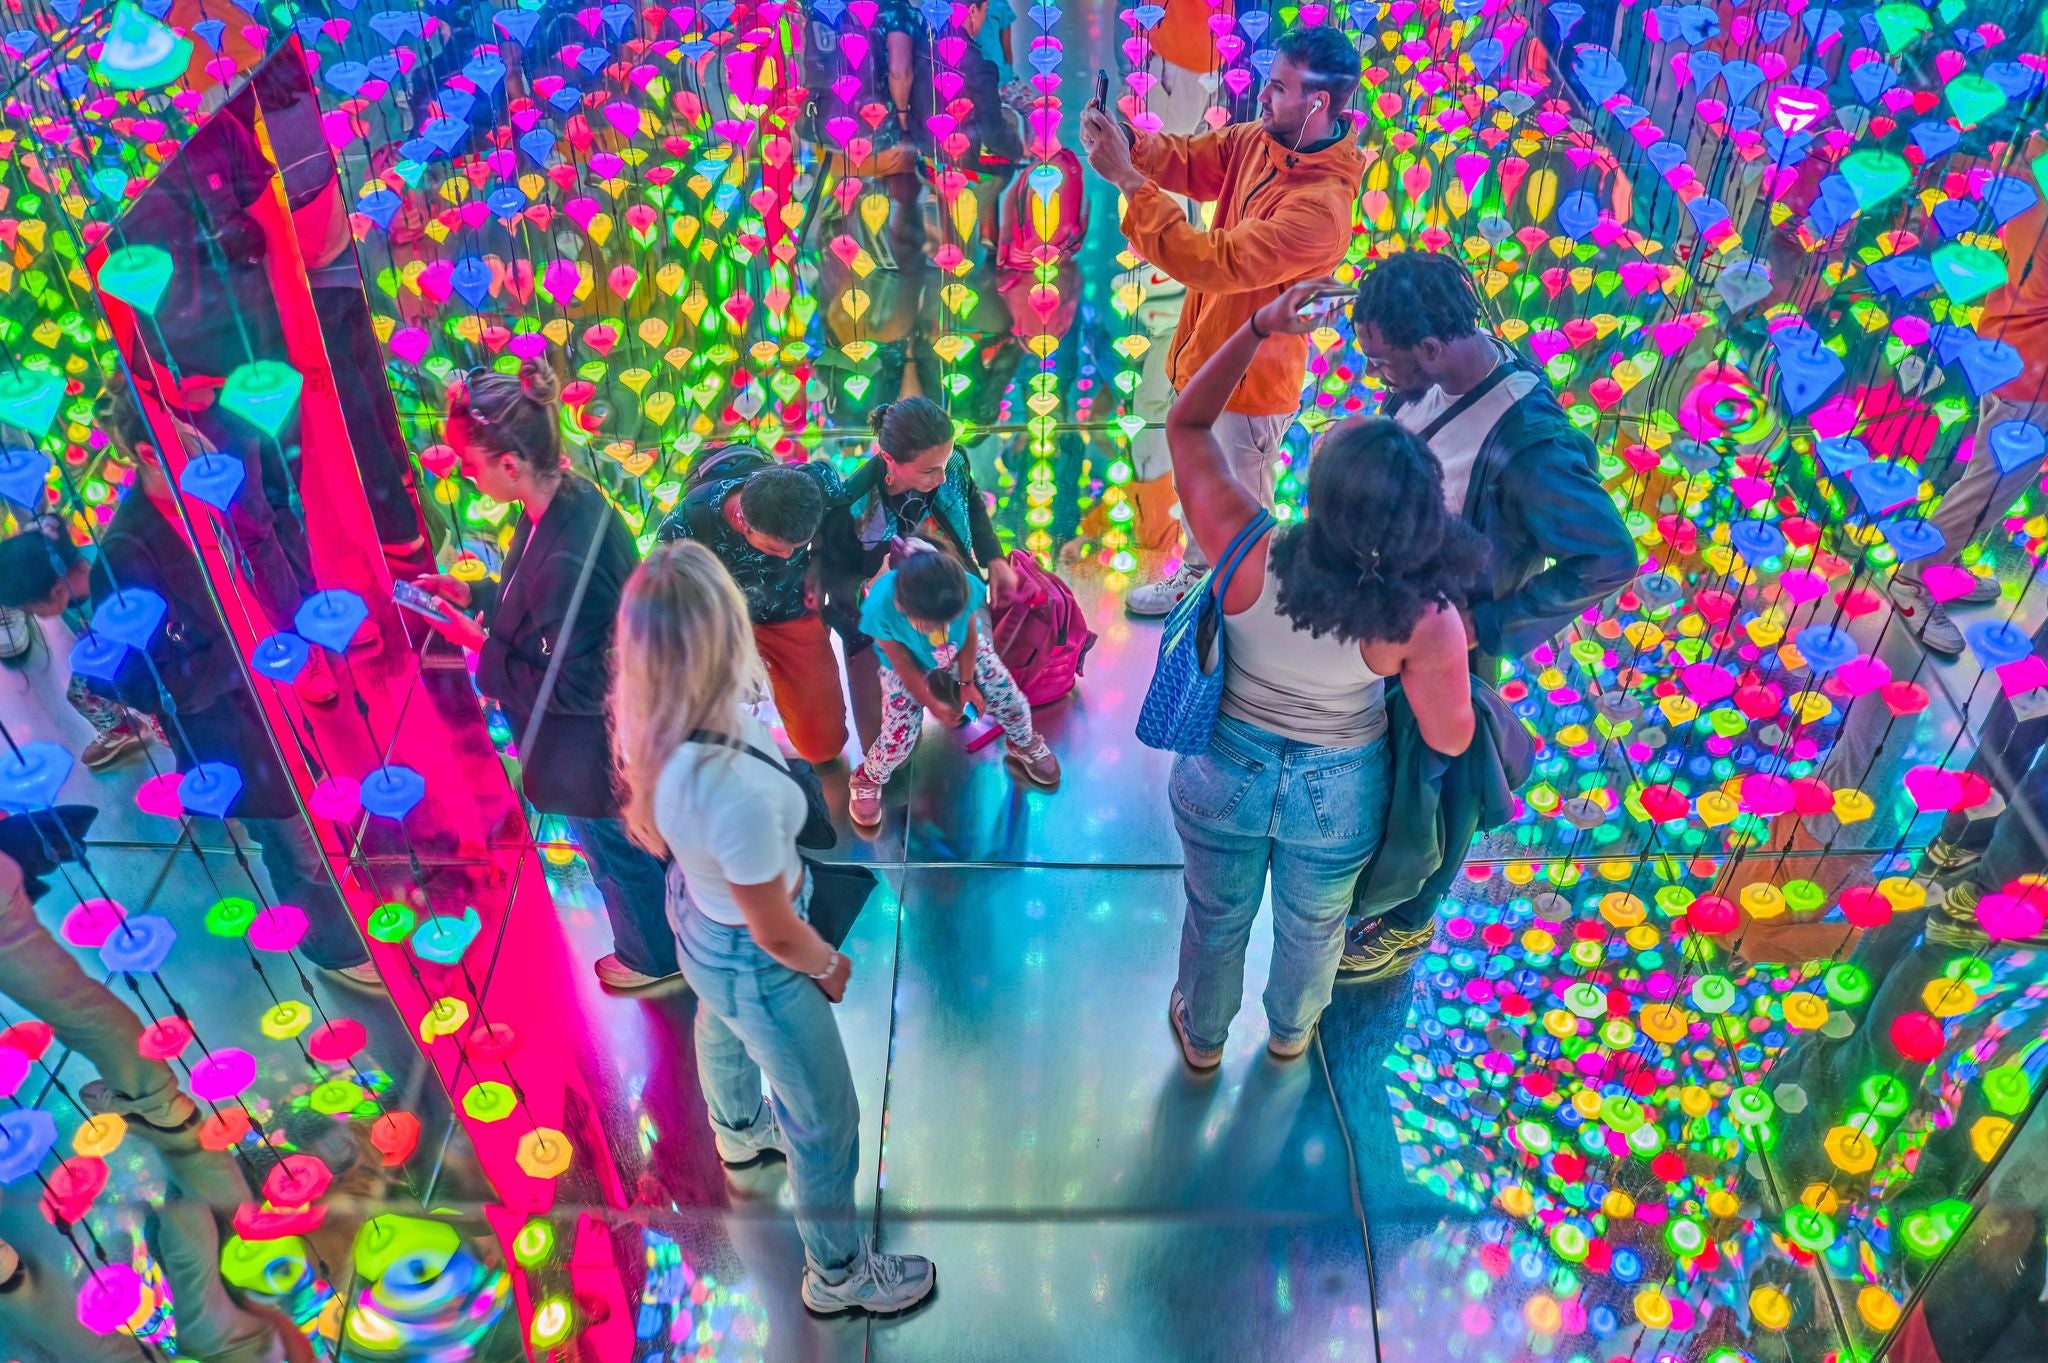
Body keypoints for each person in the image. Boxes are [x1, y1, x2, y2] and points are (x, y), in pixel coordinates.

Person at [609, 541, 937, 1316]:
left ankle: (738, 1130)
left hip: (696, 911)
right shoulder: (733, 794)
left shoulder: (651, 725)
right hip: (758, 950)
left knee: (720, 1021)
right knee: (826, 1119)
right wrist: (823, 961)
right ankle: (839, 1273)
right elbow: (773, 927)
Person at [1161, 280, 1478, 1069]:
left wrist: (1262, 326)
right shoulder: (1423, 618)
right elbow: (1450, 733)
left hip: (1222, 765)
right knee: (1314, 928)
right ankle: (1291, 1035)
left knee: (1214, 914)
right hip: (1337, 792)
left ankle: (1202, 1043)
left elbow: (1188, 420)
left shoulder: (1243, 544)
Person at [1340, 249, 1637, 979]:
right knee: (1401, 765)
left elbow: (1609, 557)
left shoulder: (1530, 445)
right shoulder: (1443, 375)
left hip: (1450, 633)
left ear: (1433, 347)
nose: (1378, 376)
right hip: (1398, 607)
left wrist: (1488, 626)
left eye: (1384, 362)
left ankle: (1409, 920)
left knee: (1446, 778)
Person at [87, 383, 378, 985]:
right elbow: (129, 679)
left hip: (289, 692)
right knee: (294, 840)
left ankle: (355, 911)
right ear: (147, 453)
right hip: (233, 721)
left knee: (326, 812)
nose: (206, 447)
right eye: (187, 437)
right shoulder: (128, 552)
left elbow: (264, 542)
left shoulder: (210, 487)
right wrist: (235, 661)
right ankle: (336, 949)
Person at [1079, 26, 1367, 616]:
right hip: (1209, 358)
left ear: (1317, 104)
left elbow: (1216, 262)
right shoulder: (1260, 141)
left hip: (1252, 386)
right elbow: (1189, 159)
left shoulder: (1322, 209)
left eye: (1279, 86)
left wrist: (1128, 183)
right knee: (1198, 492)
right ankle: (1197, 586)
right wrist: (1128, 142)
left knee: (1239, 519)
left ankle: (1243, 628)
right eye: (1267, 79)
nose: (1263, 95)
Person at [411, 359, 679, 991]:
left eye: (470, 465)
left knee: (618, 852)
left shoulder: (565, 552)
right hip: (604, 741)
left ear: (509, 463)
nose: (468, 479)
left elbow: (583, 685)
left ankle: (654, 957)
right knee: (626, 844)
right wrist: (476, 595)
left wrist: (480, 650)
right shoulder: (565, 498)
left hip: (594, 748)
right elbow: (534, 609)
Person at [1881, 132, 2046, 657]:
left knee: (1998, 485)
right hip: (2029, 368)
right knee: (1989, 489)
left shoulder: (2032, 151)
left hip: (2012, 350)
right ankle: (1913, 578)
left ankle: (1940, 565)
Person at [817, 397, 1017, 745]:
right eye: (928, 471)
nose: (941, 477)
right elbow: (828, 572)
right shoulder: (852, 503)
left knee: (959, 693)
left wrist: (994, 558)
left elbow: (971, 501)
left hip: (944, 595)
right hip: (881, 619)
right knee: (887, 742)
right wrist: (867, 587)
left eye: (944, 463)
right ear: (889, 459)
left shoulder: (951, 462)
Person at [656, 452, 851, 765]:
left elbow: (841, 498)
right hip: (718, 624)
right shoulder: (685, 526)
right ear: (742, 520)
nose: (787, 556)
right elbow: (663, 602)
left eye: (797, 546)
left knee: (822, 747)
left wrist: (818, 560)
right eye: (776, 547)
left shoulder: (815, 483)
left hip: (789, 613)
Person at [850, 545, 1059, 827]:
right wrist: (933, 704)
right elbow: (900, 663)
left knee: (1009, 697)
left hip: (957, 649)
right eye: (931, 624)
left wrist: (967, 682)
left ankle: (1023, 741)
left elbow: (971, 631)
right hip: (906, 659)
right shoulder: (880, 608)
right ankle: (869, 775)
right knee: (897, 736)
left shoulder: (963, 585)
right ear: (901, 606)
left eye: (950, 618)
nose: (943, 628)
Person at [0, 527, 148, 771]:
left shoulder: (113, 577)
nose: (34, 616)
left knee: (154, 709)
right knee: (81, 692)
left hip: (150, 657)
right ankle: (121, 727)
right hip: (106, 651)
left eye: (33, 610)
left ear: (55, 592)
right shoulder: (66, 581)